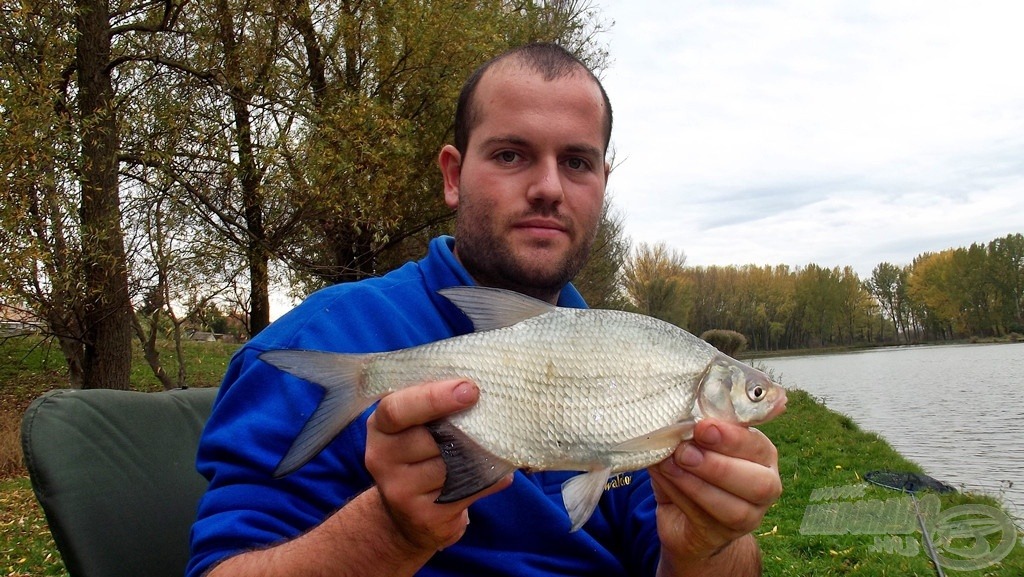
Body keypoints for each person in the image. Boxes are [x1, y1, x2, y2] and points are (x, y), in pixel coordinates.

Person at [187, 42, 782, 577]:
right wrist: (390, 533)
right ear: (453, 175)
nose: (549, 186)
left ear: (603, 181)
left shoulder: (628, 353)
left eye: (577, 162)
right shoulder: (324, 338)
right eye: (510, 155)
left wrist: (708, 548)